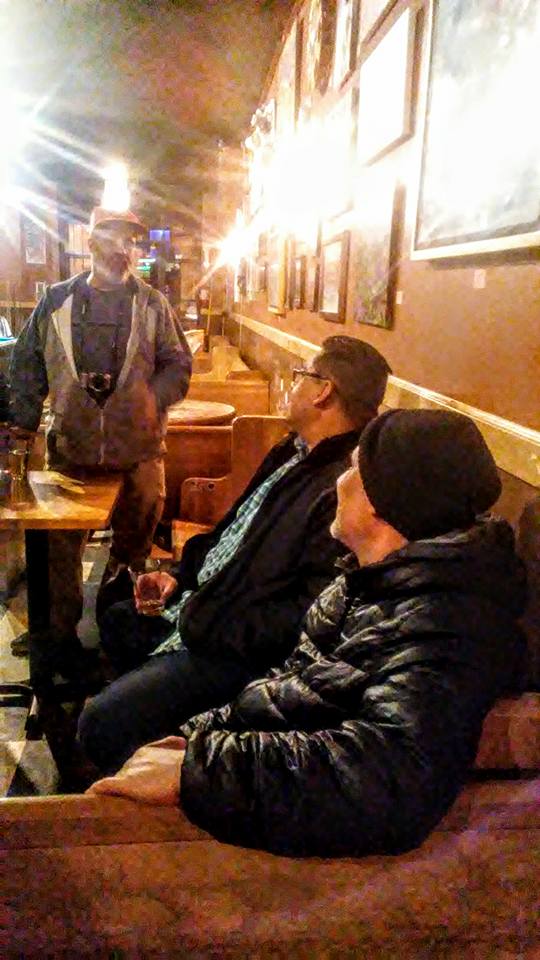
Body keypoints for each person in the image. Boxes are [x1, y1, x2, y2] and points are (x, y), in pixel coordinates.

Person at [88, 409, 527, 859]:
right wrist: (196, 736)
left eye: (353, 469)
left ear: (384, 501)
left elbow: (389, 780)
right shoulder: (366, 582)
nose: (339, 481)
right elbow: (290, 690)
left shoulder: (445, 620)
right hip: (261, 782)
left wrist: (198, 768)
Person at [78, 336, 392, 771]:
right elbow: (232, 531)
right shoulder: (292, 450)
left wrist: (211, 623)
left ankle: (156, 776)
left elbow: (309, 614)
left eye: (300, 375)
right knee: (116, 613)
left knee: (99, 724)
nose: (291, 384)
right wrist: (179, 576)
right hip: (208, 606)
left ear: (324, 391)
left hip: (238, 649)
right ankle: (152, 731)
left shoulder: (342, 487)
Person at [9, 206, 192, 683]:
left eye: (130, 241)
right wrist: (22, 426)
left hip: (139, 452)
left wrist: (153, 398)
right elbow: (26, 366)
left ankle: (118, 630)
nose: (124, 250)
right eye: (114, 239)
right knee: (60, 554)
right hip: (72, 452)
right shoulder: (56, 301)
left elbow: (178, 364)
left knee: (134, 546)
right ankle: (60, 641)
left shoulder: (152, 303)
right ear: (90, 245)